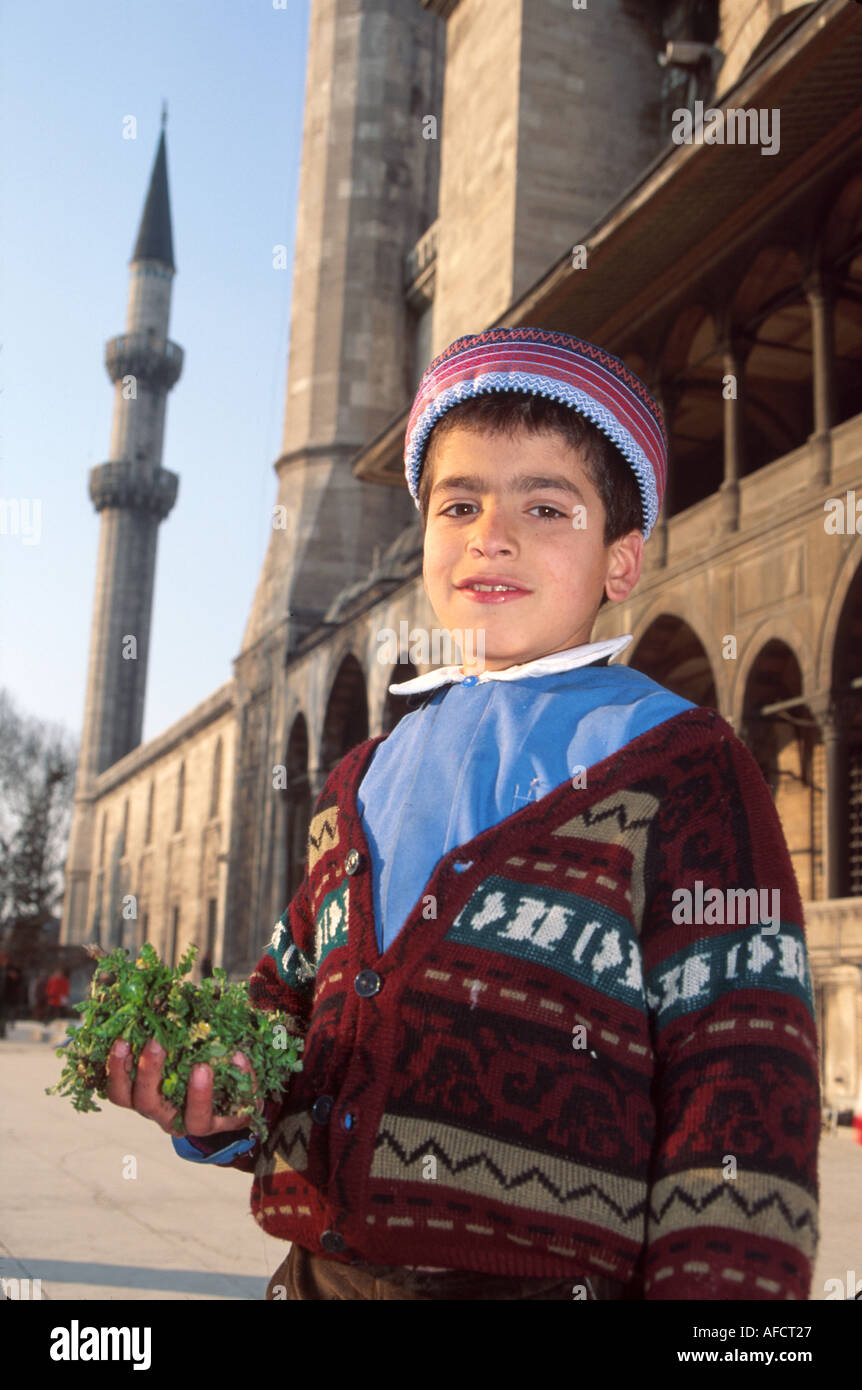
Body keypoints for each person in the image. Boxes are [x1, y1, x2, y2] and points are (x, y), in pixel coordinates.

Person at [105, 327, 821, 1301]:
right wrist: (214, 1086)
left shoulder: (682, 765)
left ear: (621, 559)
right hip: (321, 1277)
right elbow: (290, 1019)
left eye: (543, 505)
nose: (494, 532)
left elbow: (741, 1071)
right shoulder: (358, 782)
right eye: (460, 503)